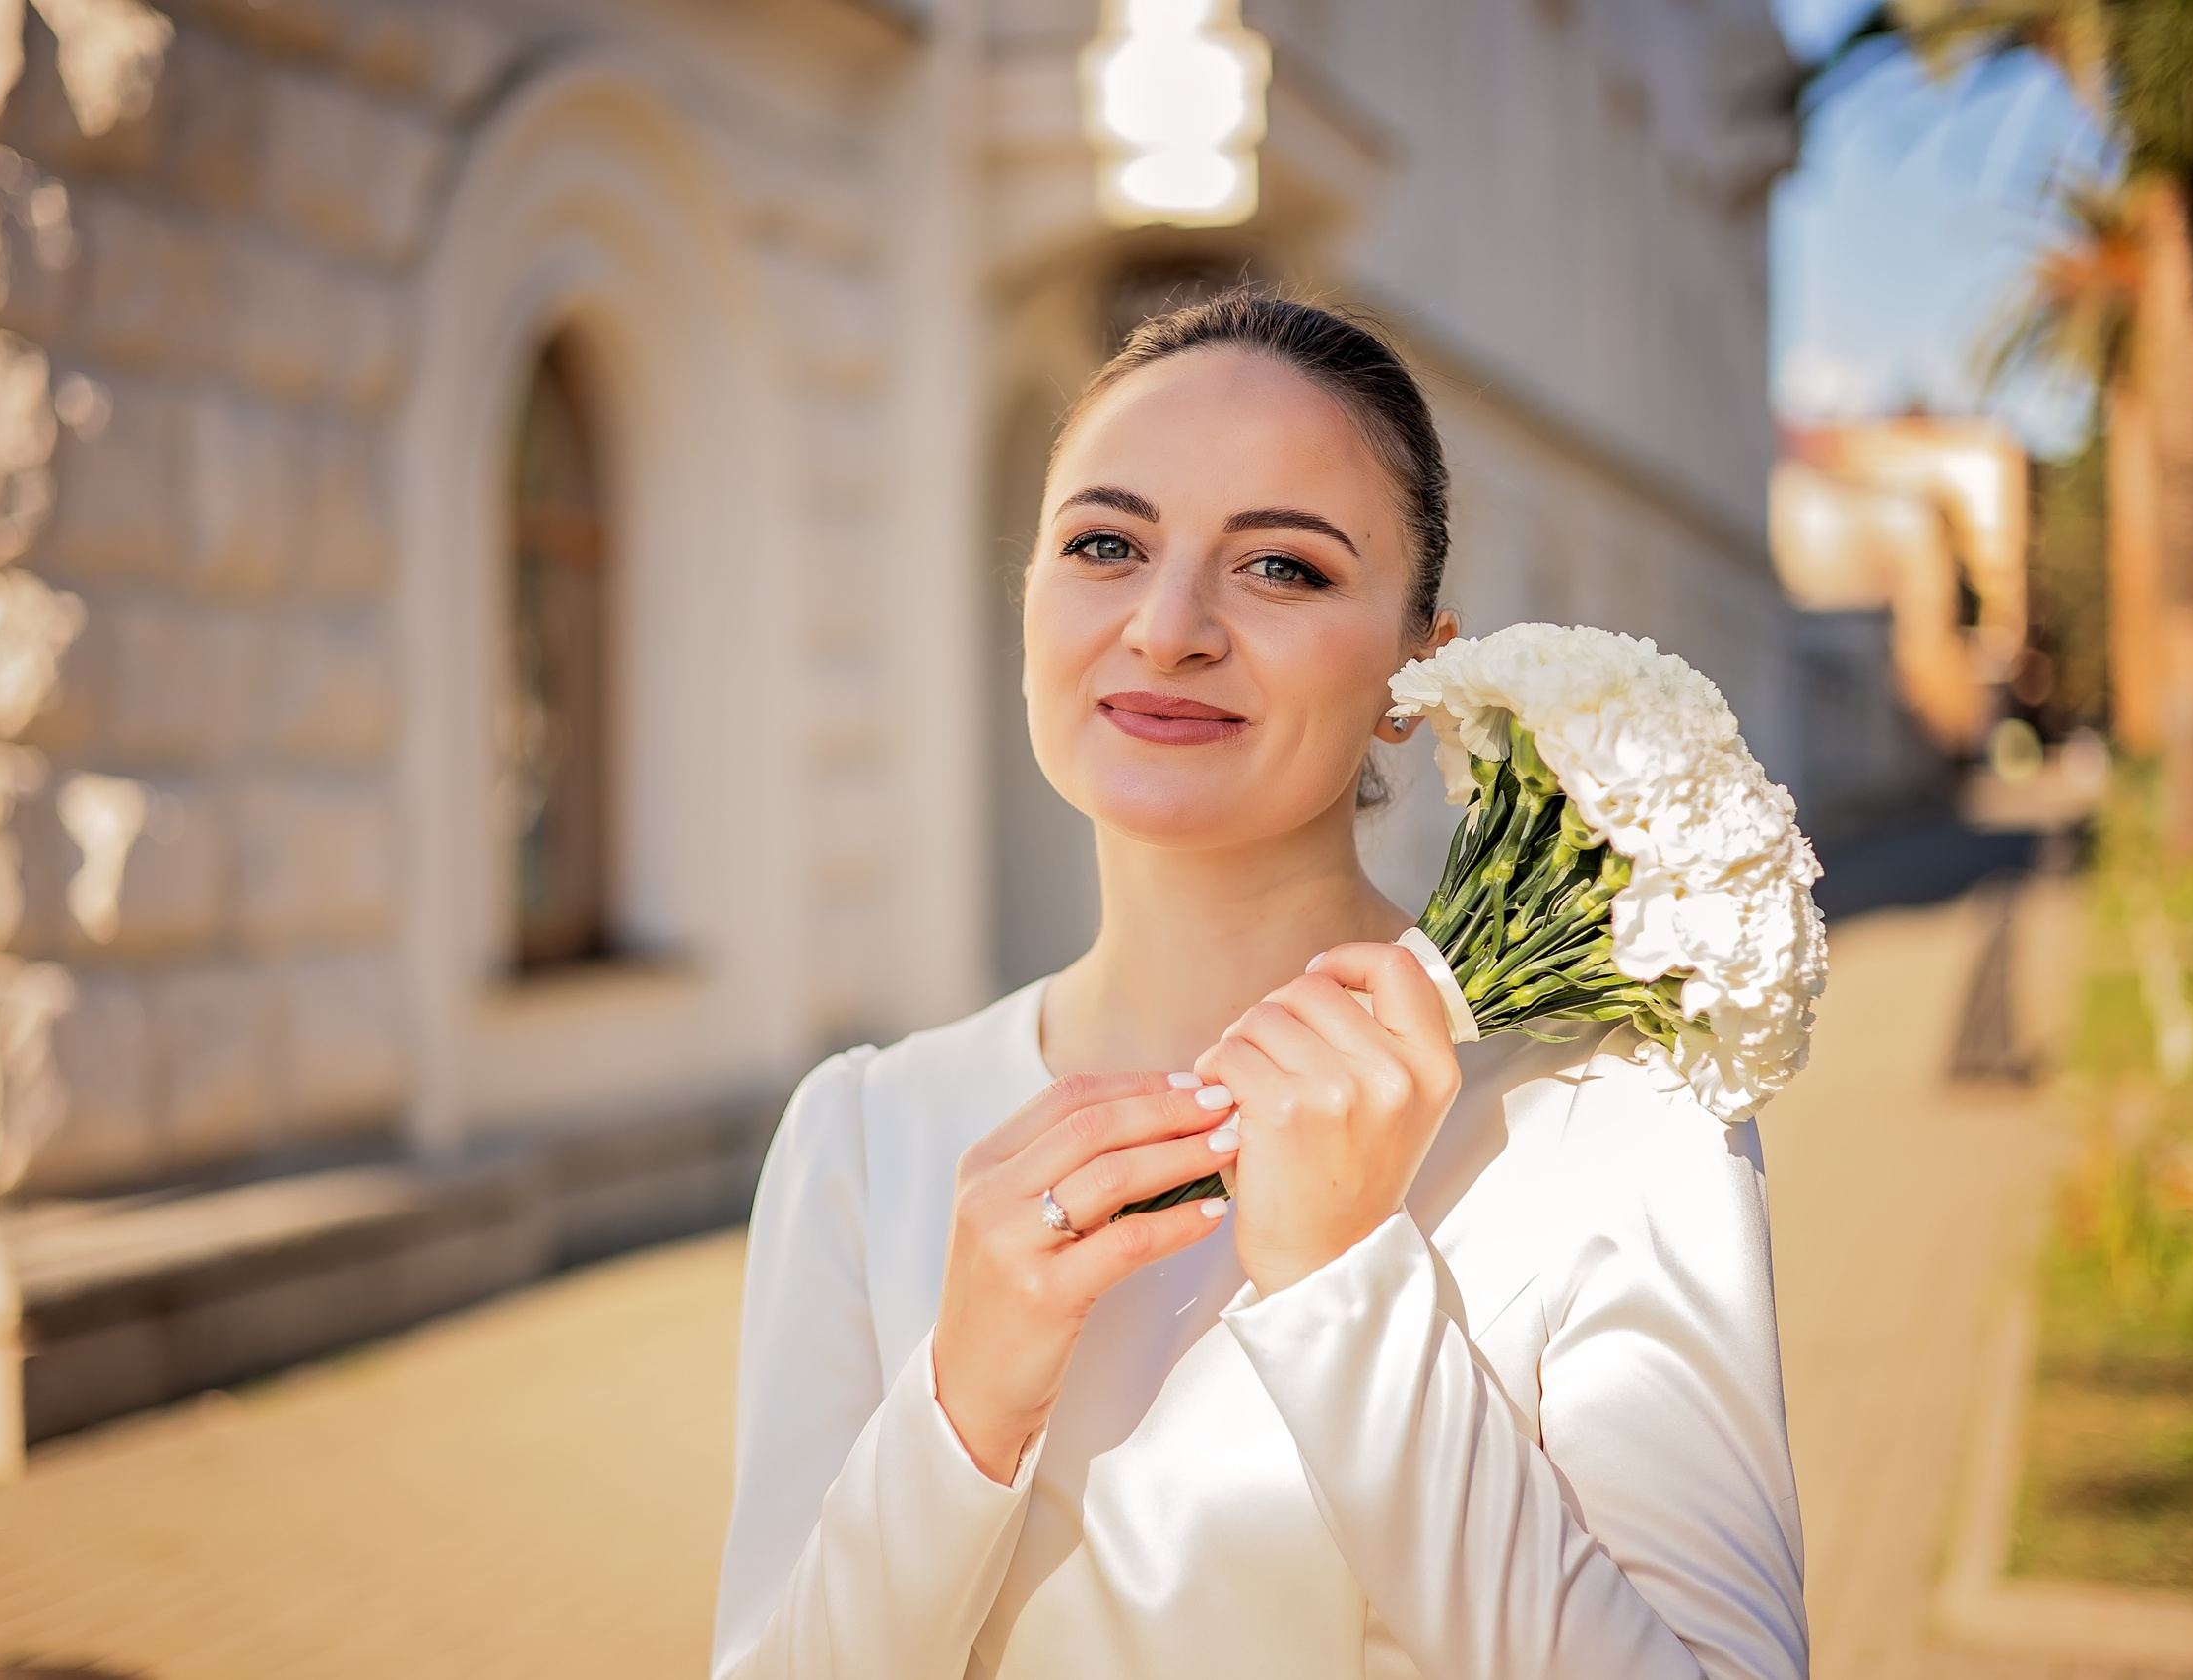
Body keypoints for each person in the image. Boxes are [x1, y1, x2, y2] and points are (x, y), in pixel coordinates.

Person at [710, 292, 1807, 1680]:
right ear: (1030, 600)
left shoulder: (1614, 1125)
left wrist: (1349, 1289)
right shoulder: (863, 1135)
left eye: (1282, 567)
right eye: (1105, 545)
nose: (1167, 627)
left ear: (1419, 670)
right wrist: (958, 1407)